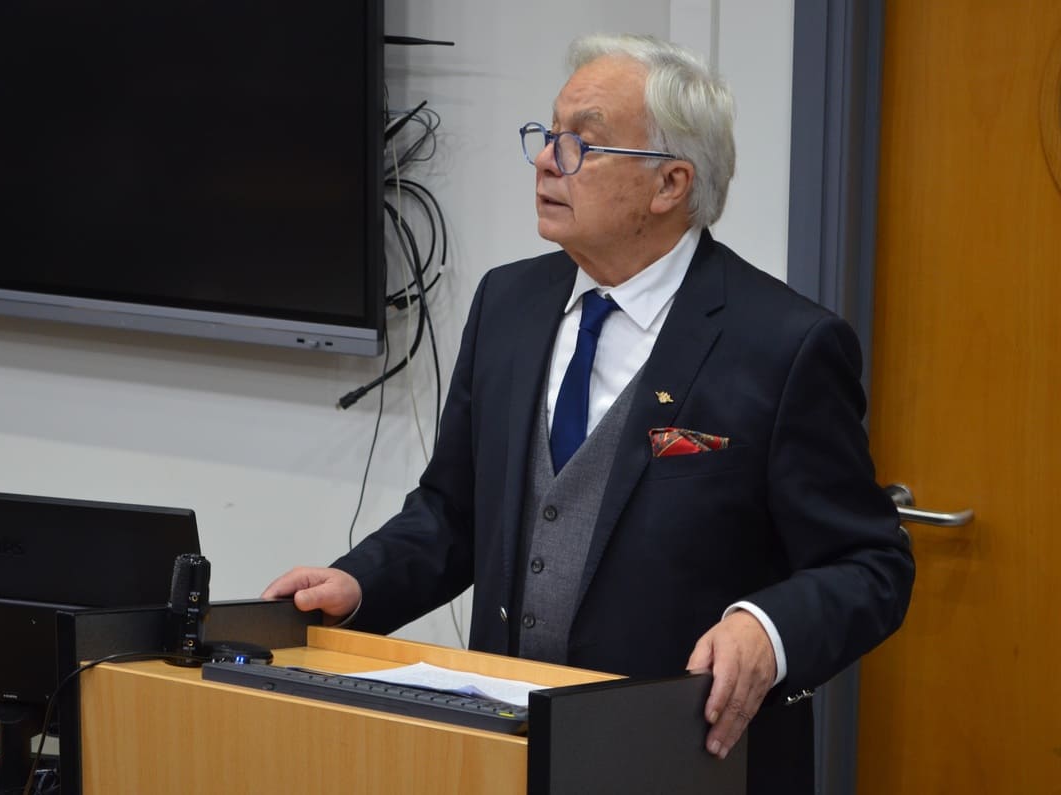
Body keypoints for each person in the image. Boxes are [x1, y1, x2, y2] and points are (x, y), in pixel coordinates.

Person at [263, 33, 914, 794]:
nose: (546, 159)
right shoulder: (507, 304)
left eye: (583, 144)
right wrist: (359, 584)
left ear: (670, 183)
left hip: (688, 761)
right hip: (508, 751)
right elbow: (453, 511)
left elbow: (870, 564)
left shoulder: (784, 344)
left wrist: (766, 628)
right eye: (548, 134)